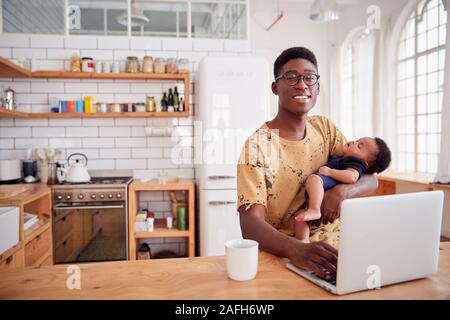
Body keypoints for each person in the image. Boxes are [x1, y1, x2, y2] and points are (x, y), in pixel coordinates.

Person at [236, 47, 378, 281]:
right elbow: (250, 225)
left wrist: (343, 191)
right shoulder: (257, 145)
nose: (302, 85)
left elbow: (371, 177)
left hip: (341, 254)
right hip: (289, 258)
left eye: (309, 77)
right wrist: (296, 249)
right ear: (275, 87)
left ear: (318, 87)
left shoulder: (325, 128)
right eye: (291, 77)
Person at [295, 137, 392, 242]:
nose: (355, 142)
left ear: (365, 163)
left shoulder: (356, 163)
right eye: (358, 140)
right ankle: (303, 239)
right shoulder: (343, 157)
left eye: (359, 146)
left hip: (327, 185)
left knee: (314, 179)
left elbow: (352, 176)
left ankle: (314, 209)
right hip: (317, 194)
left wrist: (330, 172)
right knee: (299, 216)